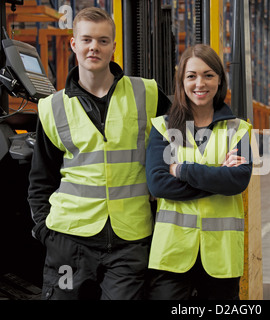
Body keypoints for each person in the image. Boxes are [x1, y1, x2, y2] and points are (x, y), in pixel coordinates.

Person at [27, 7, 171, 300]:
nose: (94, 47)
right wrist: (45, 231)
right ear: (74, 44)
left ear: (114, 47)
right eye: (87, 40)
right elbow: (41, 179)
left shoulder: (148, 94)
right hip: (70, 238)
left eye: (103, 40)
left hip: (129, 240)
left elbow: (185, 136)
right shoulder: (53, 108)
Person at [145, 44, 252, 300]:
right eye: (191, 76)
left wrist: (180, 169)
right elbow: (159, 185)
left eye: (208, 75)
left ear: (219, 80)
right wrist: (217, 178)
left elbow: (237, 181)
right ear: (181, 81)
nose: (199, 83)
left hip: (221, 256)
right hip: (172, 252)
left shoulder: (241, 130)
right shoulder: (162, 127)